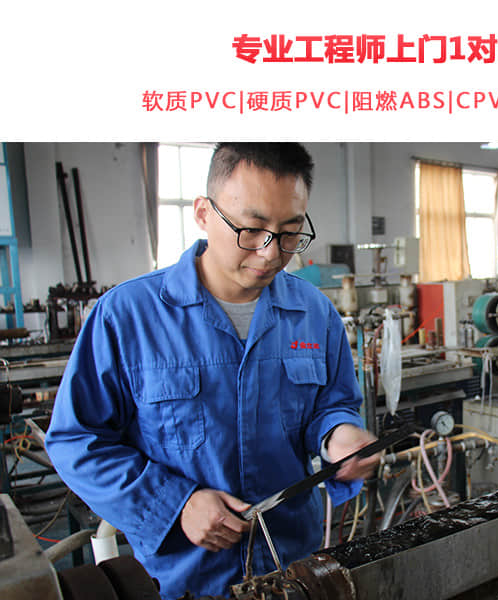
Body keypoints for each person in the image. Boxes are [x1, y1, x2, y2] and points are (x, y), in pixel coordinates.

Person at [45, 143, 378, 599]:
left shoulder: (314, 313)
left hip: (295, 571)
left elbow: (330, 405)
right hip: (181, 580)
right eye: (251, 229)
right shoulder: (127, 317)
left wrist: (338, 435)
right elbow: (77, 441)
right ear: (203, 213)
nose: (270, 253)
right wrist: (176, 503)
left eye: (289, 233)